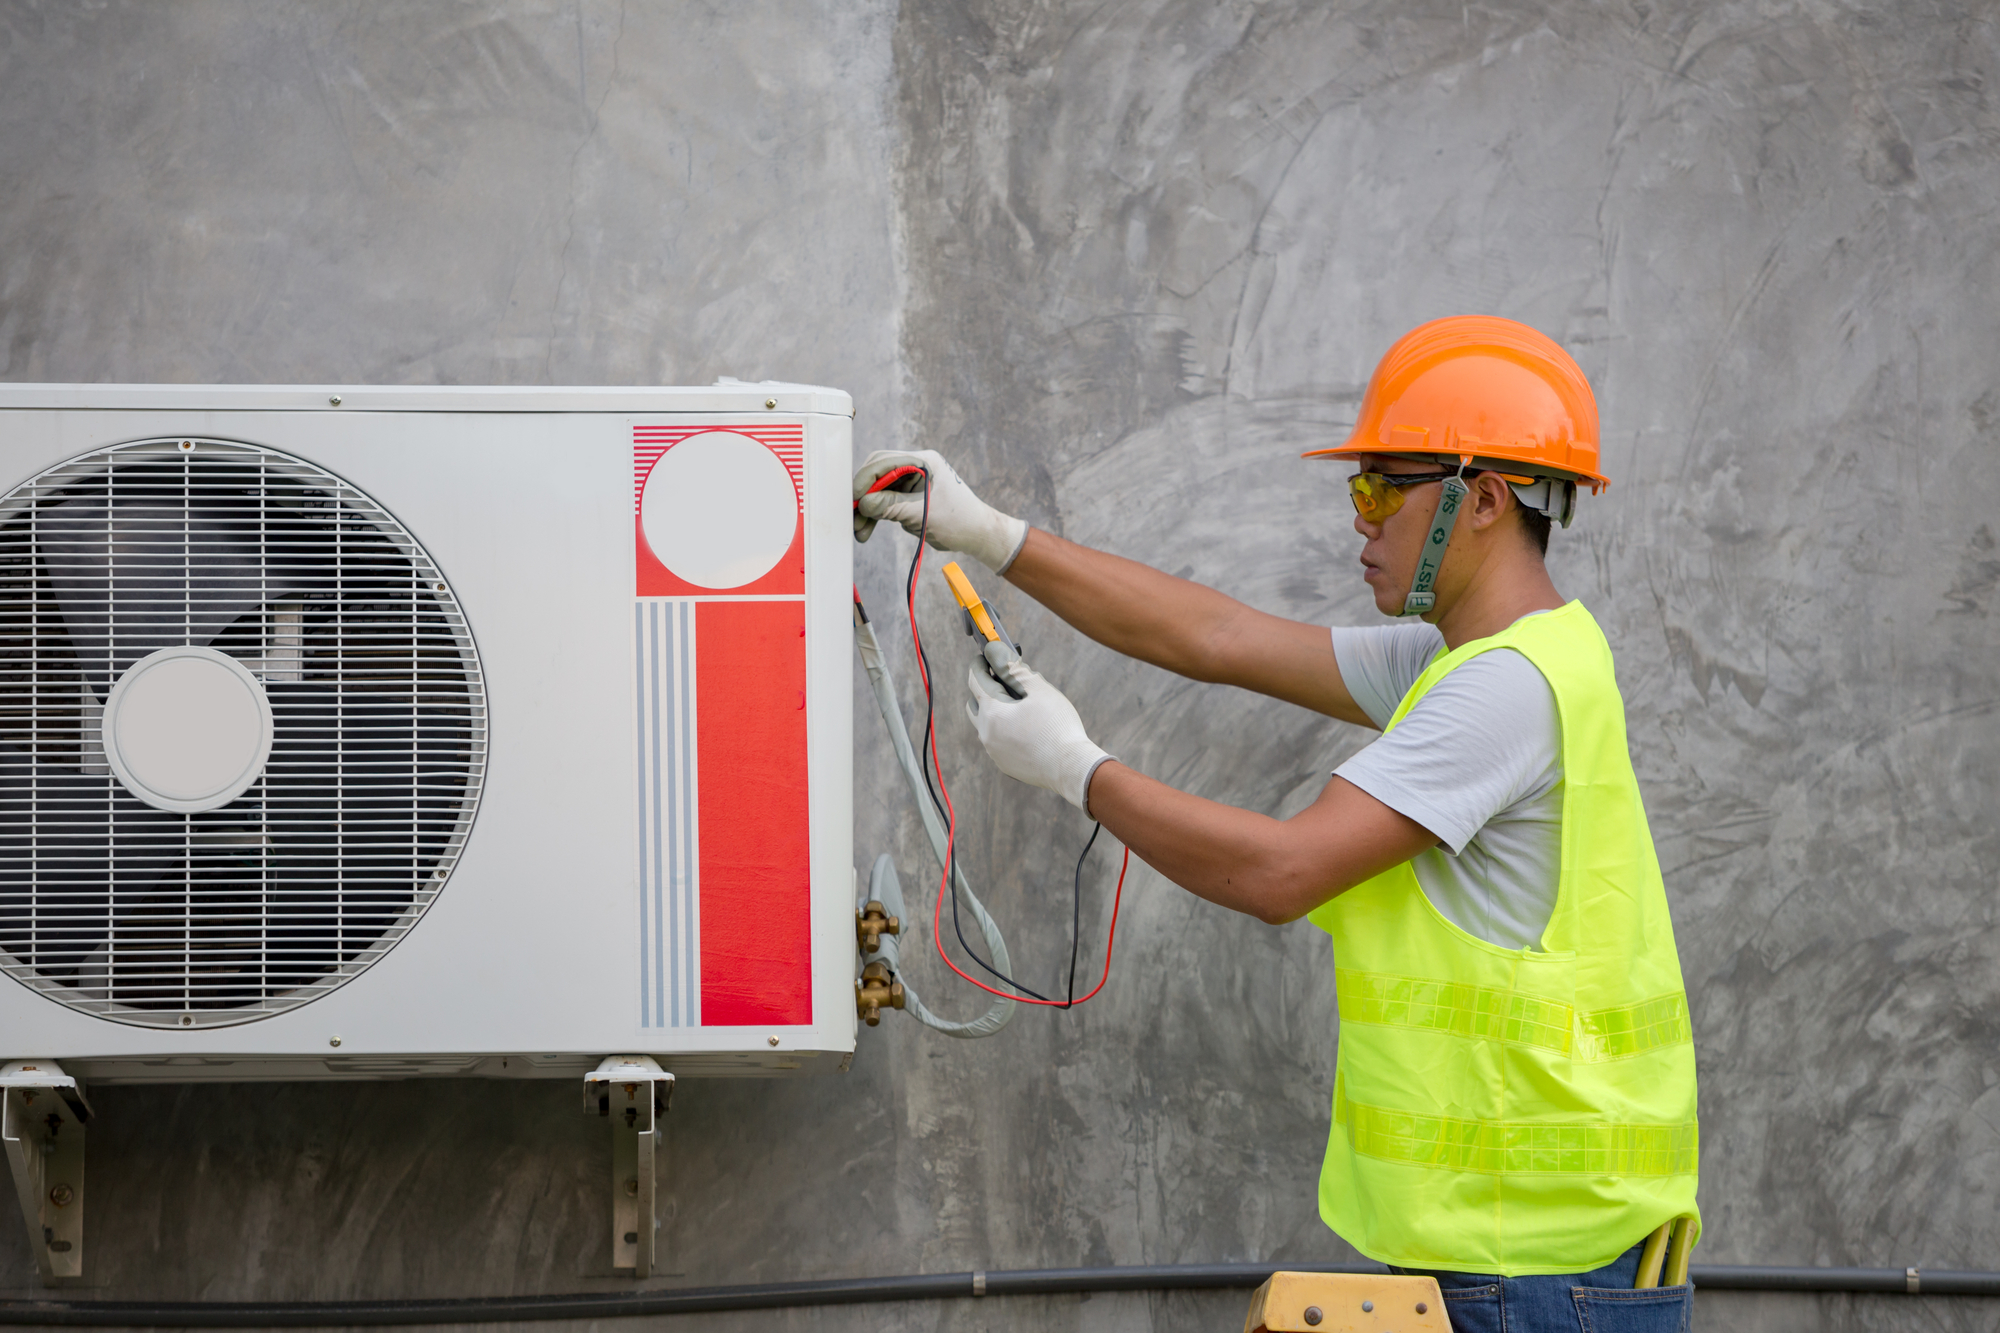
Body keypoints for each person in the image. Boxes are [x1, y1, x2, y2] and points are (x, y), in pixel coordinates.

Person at [852, 316, 1700, 1332]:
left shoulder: (1501, 693)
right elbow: (1214, 635)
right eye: (1359, 488)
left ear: (1479, 499)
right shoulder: (1488, 660)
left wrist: (1078, 772)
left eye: (1383, 486)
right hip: (1531, 1259)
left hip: (1525, 1278)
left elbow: (1283, 872)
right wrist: (990, 535)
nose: (1360, 517)